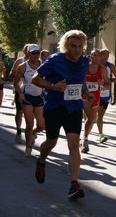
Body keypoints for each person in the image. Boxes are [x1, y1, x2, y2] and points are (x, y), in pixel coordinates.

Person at [31, 30, 95, 200]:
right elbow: (35, 79)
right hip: (55, 106)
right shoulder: (55, 60)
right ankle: (41, 161)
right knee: (51, 141)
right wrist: (53, 86)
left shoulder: (83, 61)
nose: (77, 50)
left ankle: (74, 185)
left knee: (74, 144)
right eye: (73, 46)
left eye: (80, 46)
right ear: (66, 46)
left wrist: (86, 93)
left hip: (74, 107)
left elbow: (81, 80)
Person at [13, 44, 45, 157]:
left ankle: (33, 134)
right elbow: (16, 83)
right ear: (29, 54)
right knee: (29, 123)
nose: (36, 55)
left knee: (41, 125)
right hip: (27, 97)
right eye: (33, 53)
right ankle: (28, 147)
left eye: (38, 53)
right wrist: (20, 93)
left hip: (39, 97)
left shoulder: (43, 65)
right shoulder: (22, 66)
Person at [80, 49, 111, 153]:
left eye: (98, 55)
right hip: (85, 96)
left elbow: (108, 86)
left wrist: (102, 84)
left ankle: (84, 137)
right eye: (94, 55)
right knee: (90, 117)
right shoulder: (85, 68)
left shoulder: (103, 70)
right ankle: (85, 140)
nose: (97, 57)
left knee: (91, 119)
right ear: (91, 57)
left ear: (100, 57)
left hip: (96, 97)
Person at [96, 48, 116, 143]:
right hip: (96, 93)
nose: (105, 57)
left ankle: (98, 131)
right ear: (99, 55)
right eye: (103, 54)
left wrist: (110, 81)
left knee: (101, 115)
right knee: (99, 115)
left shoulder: (111, 66)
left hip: (106, 94)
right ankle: (100, 134)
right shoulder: (95, 65)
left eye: (107, 55)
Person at [9, 44, 30, 143]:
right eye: (27, 50)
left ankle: (30, 131)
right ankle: (18, 130)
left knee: (31, 113)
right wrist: (18, 74)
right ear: (24, 51)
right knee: (20, 112)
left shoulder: (38, 63)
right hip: (20, 90)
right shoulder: (19, 61)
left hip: (33, 90)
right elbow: (11, 74)